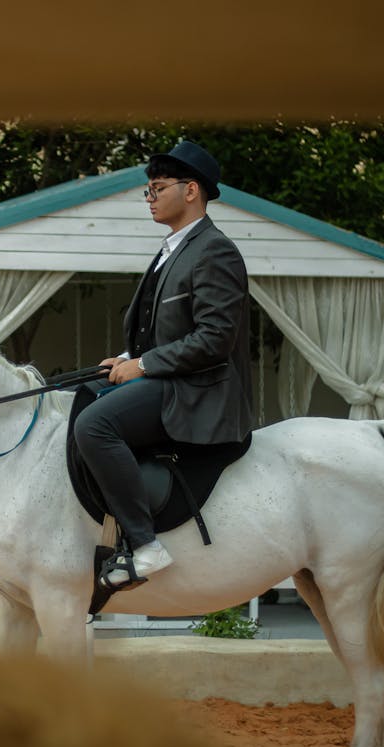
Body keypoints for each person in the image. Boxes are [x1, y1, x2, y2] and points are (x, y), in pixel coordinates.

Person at [74, 141, 253, 588]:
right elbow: (164, 331)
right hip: (167, 377)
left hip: (199, 389)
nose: (150, 197)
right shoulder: (171, 250)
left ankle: (145, 546)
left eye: (157, 188)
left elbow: (215, 338)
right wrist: (128, 359)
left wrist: (144, 365)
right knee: (80, 398)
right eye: (148, 190)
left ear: (191, 190)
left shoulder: (215, 250)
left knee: (94, 426)